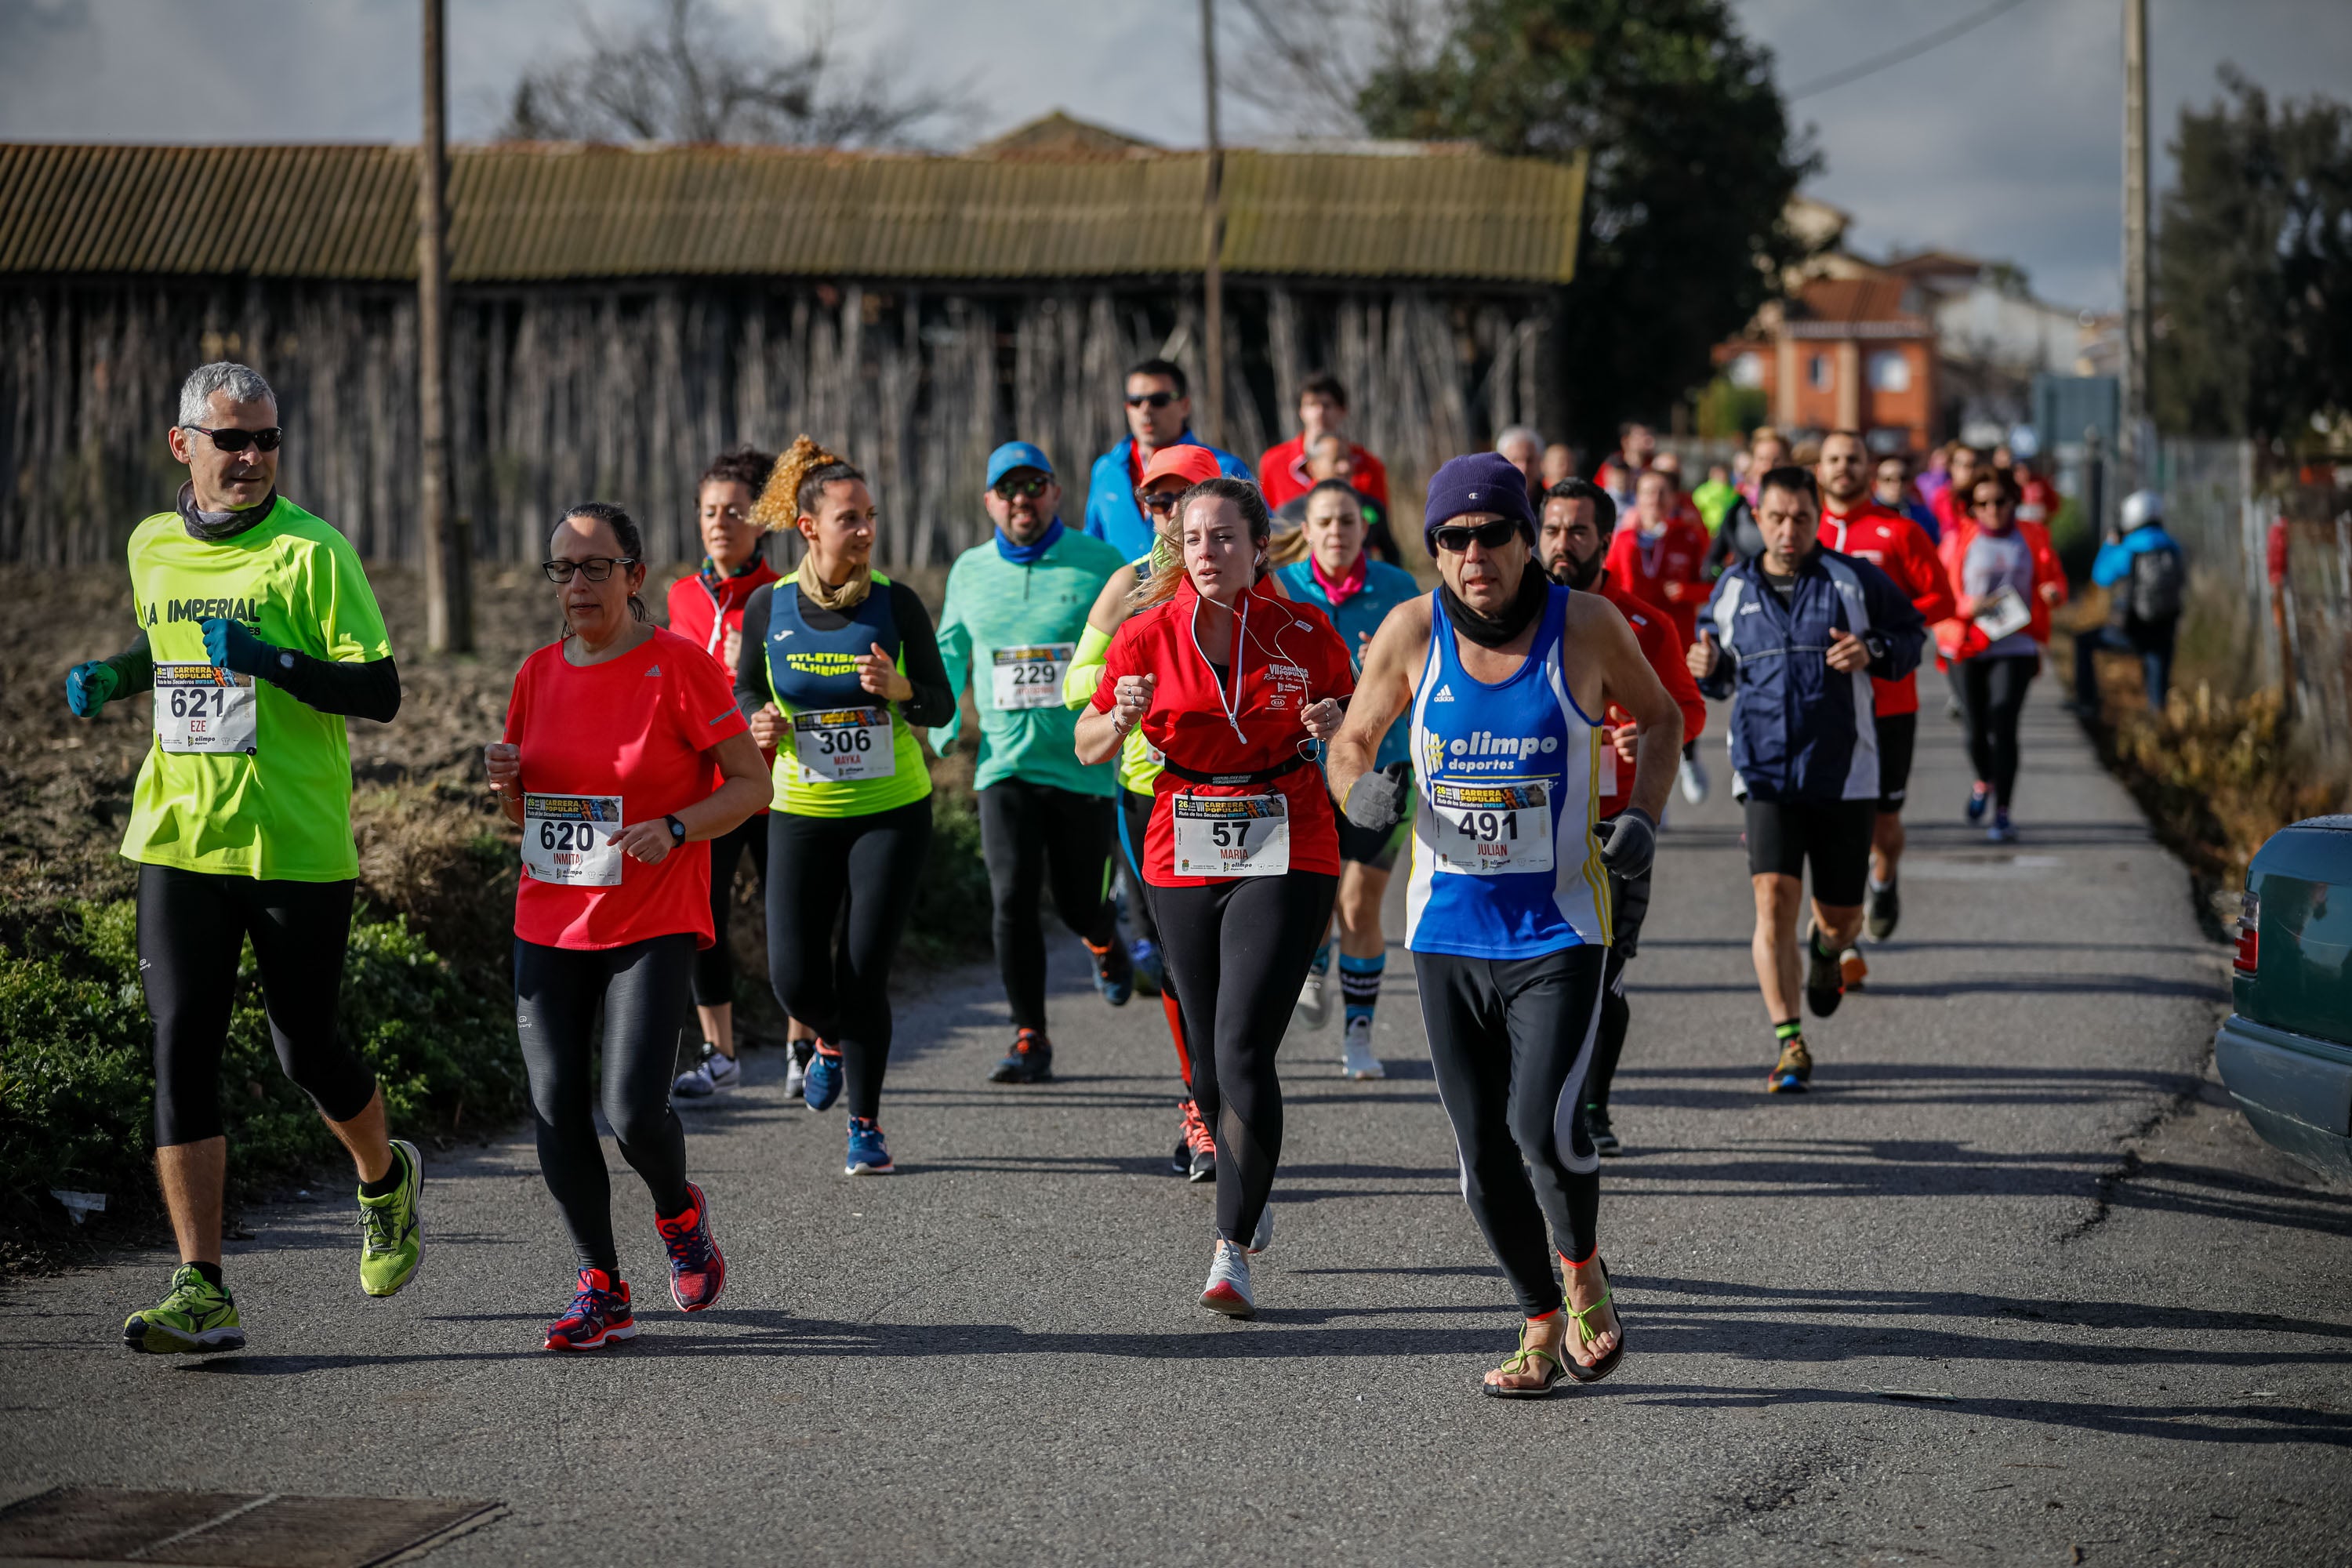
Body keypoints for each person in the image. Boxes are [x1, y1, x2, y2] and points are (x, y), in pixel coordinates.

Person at [66, 361, 416, 1356]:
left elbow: (381, 691)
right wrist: (113, 676)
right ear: (184, 445)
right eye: (234, 440)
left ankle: (385, 1181)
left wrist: (271, 660)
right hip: (178, 835)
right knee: (181, 1044)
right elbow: (169, 653)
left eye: (267, 439)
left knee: (305, 1046)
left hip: (295, 842)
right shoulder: (150, 545)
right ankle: (202, 1287)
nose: (254, 457)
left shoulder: (314, 552)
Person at [1330, 452, 1682, 1396]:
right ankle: (1536, 1317)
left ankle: (1581, 1265)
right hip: (1447, 934)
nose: (1474, 552)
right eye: (1454, 538)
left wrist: (1642, 814)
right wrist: (1361, 797)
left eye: (1494, 533)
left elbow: (1662, 717)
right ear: (1436, 549)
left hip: (1561, 929)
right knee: (1480, 1151)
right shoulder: (1410, 629)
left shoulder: (1590, 626)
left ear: (1528, 540)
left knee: (1544, 1125)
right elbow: (1352, 739)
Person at [486, 504, 768, 1351]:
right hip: (551, 915)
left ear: (635, 575)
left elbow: (750, 783)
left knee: (634, 1112)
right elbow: (525, 814)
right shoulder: (536, 673)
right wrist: (505, 786)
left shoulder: (678, 666)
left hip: (651, 914)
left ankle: (681, 1215)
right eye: (562, 569)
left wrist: (678, 826)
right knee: (554, 1103)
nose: (576, 585)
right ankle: (600, 1283)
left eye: (594, 567)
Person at [1076, 474, 1354, 1319]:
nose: (1208, 552)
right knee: (1203, 1062)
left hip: (1287, 835)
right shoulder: (1142, 636)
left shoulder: (1303, 630)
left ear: (1258, 547)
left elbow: (1358, 721)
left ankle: (1230, 1247)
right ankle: (1248, 1173)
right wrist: (1119, 719)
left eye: (1225, 537)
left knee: (1241, 1047)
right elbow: (1087, 747)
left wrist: (1335, 720)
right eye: (1195, 539)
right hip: (1182, 839)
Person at [738, 437, 956, 1176]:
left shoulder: (897, 604)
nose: (864, 531)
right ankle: (828, 1038)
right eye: (849, 519)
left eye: (869, 517)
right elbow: (743, 688)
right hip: (800, 808)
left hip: (891, 810)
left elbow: (941, 701)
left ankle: (865, 1124)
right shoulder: (769, 606)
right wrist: (757, 717)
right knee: (794, 978)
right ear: (808, 526)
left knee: (863, 970)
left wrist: (902, 692)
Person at [1689, 466, 1926, 1094]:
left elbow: (1911, 637)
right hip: (1764, 772)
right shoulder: (1733, 588)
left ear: (1818, 517)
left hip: (1844, 774)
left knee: (1840, 917)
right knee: (1771, 900)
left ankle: (1827, 952)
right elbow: (1716, 673)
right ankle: (1789, 1041)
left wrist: (1873, 649)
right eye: (1776, 517)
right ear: (1756, 519)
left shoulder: (1854, 580)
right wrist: (1706, 667)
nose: (1788, 529)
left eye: (1800, 517)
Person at [935, 441, 1132, 1083]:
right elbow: (950, 651)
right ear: (991, 501)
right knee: (1012, 896)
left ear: (1055, 492)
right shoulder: (968, 570)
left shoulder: (1099, 563)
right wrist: (938, 730)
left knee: (1079, 904)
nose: (1022, 500)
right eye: (1008, 490)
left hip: (1083, 764)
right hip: (1004, 765)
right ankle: (1029, 1036)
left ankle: (1103, 940)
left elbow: (1133, 647)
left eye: (1034, 485)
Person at [1065, 443, 1231, 1181]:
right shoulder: (1130, 584)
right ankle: (1202, 1105)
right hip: (1152, 792)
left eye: (1180, 499)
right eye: (1155, 503)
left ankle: (1233, 1087)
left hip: (1240, 787)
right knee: (1176, 959)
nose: (1165, 515)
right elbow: (1078, 686)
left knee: (1242, 962)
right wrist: (1127, 679)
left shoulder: (1248, 575)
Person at [1537, 478, 1708, 1159]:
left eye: (1578, 531)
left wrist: (1650, 727)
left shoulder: (1643, 624)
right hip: (1536, 820)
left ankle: (1593, 1101)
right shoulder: (1517, 619)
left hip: (1618, 822)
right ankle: (1541, 1099)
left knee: (1602, 973)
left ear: (1606, 540)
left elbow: (1686, 710)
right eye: (1552, 529)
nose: (1562, 544)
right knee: (1540, 969)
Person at [1273, 477, 1421, 1080]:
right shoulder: (1278, 589)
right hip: (1301, 773)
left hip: (1380, 767)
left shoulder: (1399, 592)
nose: (1337, 532)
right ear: (1306, 531)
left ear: (1365, 530)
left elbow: (1429, 684)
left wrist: (1386, 671)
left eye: (1348, 521)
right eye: (1325, 522)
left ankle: (1358, 1037)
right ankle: (1312, 959)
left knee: (1360, 904)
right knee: (1314, 900)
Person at [664, 445, 784, 1100]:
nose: (719, 523)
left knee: (788, 920)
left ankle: (803, 1045)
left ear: (762, 522)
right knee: (702, 920)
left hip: (779, 784)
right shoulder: (679, 598)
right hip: (708, 791)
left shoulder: (781, 599)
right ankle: (719, 1052)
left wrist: (755, 672)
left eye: (734, 512)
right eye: (709, 512)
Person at [1814, 431, 1955, 971]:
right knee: (1829, 823)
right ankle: (1839, 936)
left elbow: (1941, 598)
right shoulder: (1807, 532)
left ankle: (1884, 879)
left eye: (1853, 459)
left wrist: (1881, 632)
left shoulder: (1899, 531)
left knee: (1883, 825)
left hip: (1890, 701)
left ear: (1868, 468)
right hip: (1822, 704)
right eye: (1834, 459)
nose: (1844, 467)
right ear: (1820, 469)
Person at [1935, 469, 2052, 844]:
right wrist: (1972, 605)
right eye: (1982, 503)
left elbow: (2054, 578)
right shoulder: (1957, 541)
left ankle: (2003, 812)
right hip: (1966, 643)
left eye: (2000, 502)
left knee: (2003, 723)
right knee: (1974, 728)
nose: (1992, 510)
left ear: (2014, 502)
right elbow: (1939, 592)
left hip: (2015, 645)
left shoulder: (2032, 536)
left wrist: (2053, 592)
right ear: (1971, 507)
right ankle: (1984, 781)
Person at [1605, 467, 1712, 804]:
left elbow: (1714, 586)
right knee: (1633, 712)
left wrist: (1689, 591)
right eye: (1648, 492)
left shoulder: (1691, 537)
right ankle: (1647, 789)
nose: (1655, 499)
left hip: (1676, 641)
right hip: (1631, 641)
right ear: (1638, 498)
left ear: (1674, 499)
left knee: (1677, 705)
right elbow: (1606, 588)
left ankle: (1687, 760)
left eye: (1662, 492)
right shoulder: (1622, 540)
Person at [1087, 358, 1251, 561]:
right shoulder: (1106, 469)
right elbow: (1093, 544)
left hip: (1198, 589)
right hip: (1124, 591)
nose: (1146, 410)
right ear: (1127, 407)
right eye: (1136, 401)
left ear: (1185, 405)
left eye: (1159, 401)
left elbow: (1257, 538)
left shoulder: (1225, 467)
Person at [2077, 489, 2183, 715]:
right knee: (2158, 698)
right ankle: (2160, 731)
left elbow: (2100, 577)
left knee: (2084, 642)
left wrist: (2110, 544)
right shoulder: (2173, 546)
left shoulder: (2129, 546)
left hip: (2131, 631)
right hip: (2165, 629)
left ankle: (2087, 704)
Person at [1259, 370, 1392, 514]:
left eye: (1327, 405)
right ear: (1301, 411)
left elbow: (1379, 522)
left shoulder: (1369, 465)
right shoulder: (1273, 462)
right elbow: (1267, 520)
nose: (1320, 412)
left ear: (1342, 411)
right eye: (1311, 404)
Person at [1705, 426, 1786, 577]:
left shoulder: (1801, 510)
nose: (1768, 467)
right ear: (1753, 464)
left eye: (1776, 460)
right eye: (1762, 459)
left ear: (1789, 463)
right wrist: (1726, 575)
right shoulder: (1737, 509)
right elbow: (1711, 562)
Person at [1874, 450, 1941, 544]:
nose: (1897, 484)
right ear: (1877, 482)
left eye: (1903, 478)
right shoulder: (1866, 515)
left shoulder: (1923, 516)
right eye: (1888, 479)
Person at [1595, 421, 1657, 515]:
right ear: (1626, 441)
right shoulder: (1612, 466)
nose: (1647, 440)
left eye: (1649, 435)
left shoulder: (1654, 467)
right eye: (1640, 436)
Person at [1494, 425, 1545, 502]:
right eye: (1515, 460)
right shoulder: (1492, 501)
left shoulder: (1550, 501)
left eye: (1529, 460)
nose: (1524, 468)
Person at [1691, 460, 1738, 537]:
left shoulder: (1733, 492)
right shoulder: (1702, 492)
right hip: (1706, 532)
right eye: (1717, 473)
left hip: (1726, 532)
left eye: (1721, 473)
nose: (1720, 476)